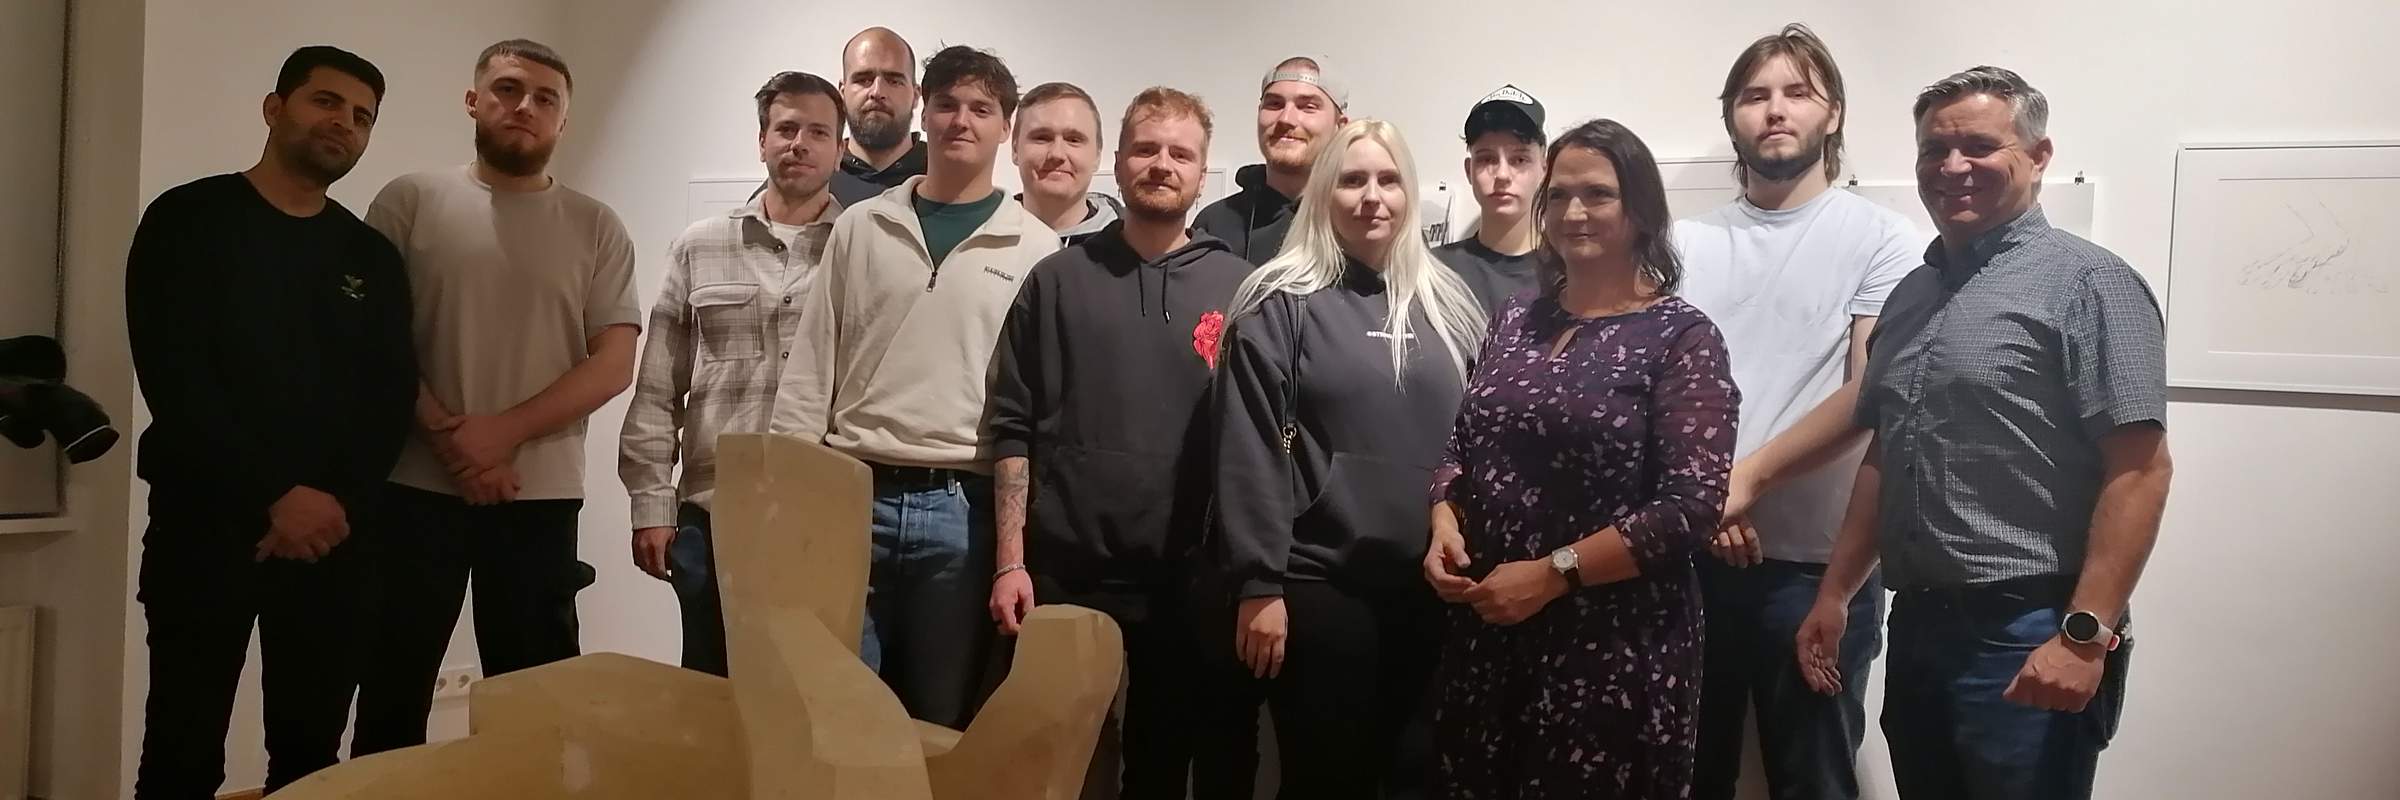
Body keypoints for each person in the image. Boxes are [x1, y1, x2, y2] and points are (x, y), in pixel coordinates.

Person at [1796, 66, 2173, 800]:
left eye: (1978, 146)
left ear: (2039, 155)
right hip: (1919, 625)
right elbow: (1888, 451)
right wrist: (1836, 592)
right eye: (1934, 150)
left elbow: (2142, 469)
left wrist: (2084, 636)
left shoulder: (2091, 283)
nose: (1952, 166)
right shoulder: (1912, 294)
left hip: (2031, 627)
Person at [126, 46, 415, 798]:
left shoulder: (369, 256)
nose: (344, 123)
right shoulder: (188, 219)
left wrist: (333, 502)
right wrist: (274, 494)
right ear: (274, 107)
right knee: (183, 750)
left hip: (333, 538)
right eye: (327, 101)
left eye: (362, 117)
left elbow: (389, 397)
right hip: (204, 525)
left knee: (311, 757)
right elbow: (175, 378)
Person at [1425, 117, 1739, 799]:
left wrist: (1552, 575)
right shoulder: (1516, 318)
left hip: (1613, 649)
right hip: (1491, 629)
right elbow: (1464, 442)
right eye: (1560, 194)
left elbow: (1690, 508)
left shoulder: (1682, 338)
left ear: (1640, 209)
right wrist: (1444, 518)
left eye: (1597, 194)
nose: (1574, 213)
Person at [351, 39, 642, 755]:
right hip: (413, 488)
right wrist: (455, 442)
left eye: (545, 98)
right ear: (473, 100)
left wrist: (501, 433)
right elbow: (370, 337)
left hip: (538, 496)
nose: (525, 107)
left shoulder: (595, 224)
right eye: (508, 89)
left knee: (535, 701)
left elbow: (613, 364)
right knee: (393, 686)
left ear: (563, 121)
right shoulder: (410, 201)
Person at [769, 44, 1058, 729]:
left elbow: (1032, 410)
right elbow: (810, 372)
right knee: (839, 714)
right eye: (948, 104)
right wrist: (787, 509)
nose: (963, 120)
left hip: (963, 512)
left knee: (939, 722)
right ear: (924, 114)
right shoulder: (861, 227)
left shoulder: (1038, 250)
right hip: (850, 496)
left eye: (981, 108)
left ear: (1005, 127)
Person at [1674, 24, 1922, 800]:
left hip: (1821, 571)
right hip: (1691, 561)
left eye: (1797, 93)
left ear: (1833, 113)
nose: (1775, 110)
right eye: (1755, 95)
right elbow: (1657, 393)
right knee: (1685, 776)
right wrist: (1710, 499)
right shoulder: (1680, 245)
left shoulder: (1886, 240)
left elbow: (1868, 393)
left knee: (1813, 781)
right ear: (1731, 116)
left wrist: (1741, 482)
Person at [1205, 119, 1485, 799]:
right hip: (1321, 585)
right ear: (1324, 193)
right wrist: (1258, 585)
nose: (1372, 197)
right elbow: (1249, 449)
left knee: (1419, 776)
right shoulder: (1278, 302)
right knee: (1327, 780)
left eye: (1388, 180)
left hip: (1433, 590)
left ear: (1409, 193)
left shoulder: (1450, 306)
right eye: (1353, 180)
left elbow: (1475, 442)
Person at [986, 86, 1253, 800]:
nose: (1162, 164)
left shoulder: (1240, 288)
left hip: (1187, 580)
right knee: (1053, 761)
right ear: (1119, 161)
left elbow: (1257, 439)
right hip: (1067, 572)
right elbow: (1012, 425)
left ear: (1202, 172)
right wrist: (1011, 561)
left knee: (1159, 768)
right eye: (1146, 149)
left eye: (1180, 153)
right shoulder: (1056, 280)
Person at [618, 71, 847, 678]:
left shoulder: (861, 249)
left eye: (818, 132)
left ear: (840, 149)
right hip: (713, 515)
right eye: (786, 128)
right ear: (762, 140)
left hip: (823, 516)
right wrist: (651, 503)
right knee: (710, 693)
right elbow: (658, 386)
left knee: (810, 694)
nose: (799, 143)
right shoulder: (700, 246)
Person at [1191, 57, 1348, 265]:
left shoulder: (1357, 221)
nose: (1285, 119)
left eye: (1307, 107)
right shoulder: (1214, 226)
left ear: (1340, 126)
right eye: (1274, 104)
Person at [1435, 85, 1548, 315]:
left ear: (1544, 168)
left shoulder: (1571, 272)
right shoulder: (1436, 272)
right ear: (1469, 170)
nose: (1502, 175)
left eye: (1519, 159)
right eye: (1487, 159)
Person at [1012, 81, 1123, 246]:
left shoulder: (1135, 246)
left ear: (1097, 155)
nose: (1057, 154)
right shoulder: (981, 239)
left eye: (1073, 140)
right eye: (1042, 138)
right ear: (1015, 149)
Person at [832, 26, 927, 207]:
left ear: (915, 96)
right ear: (842, 93)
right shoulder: (814, 173)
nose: (877, 92)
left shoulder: (946, 173)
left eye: (894, 81)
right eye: (863, 80)